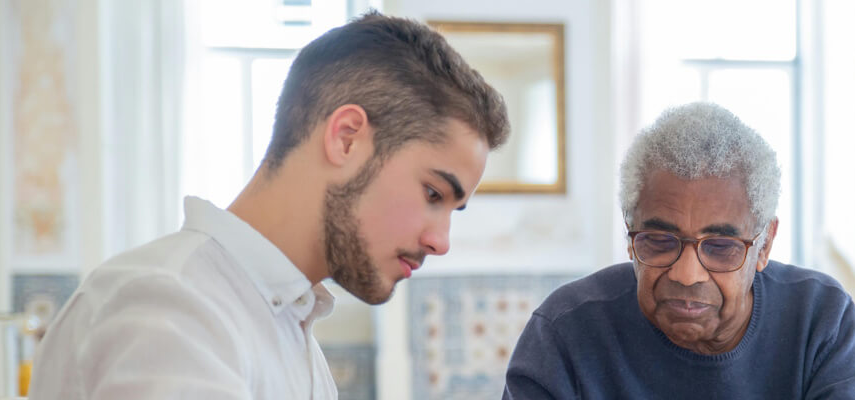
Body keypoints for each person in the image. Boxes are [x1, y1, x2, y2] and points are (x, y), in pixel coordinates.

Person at [30, 11, 509, 399]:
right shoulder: (170, 305)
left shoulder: (290, 332)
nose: (440, 241)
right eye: (433, 194)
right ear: (347, 139)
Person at [503, 102, 855, 399]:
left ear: (764, 245)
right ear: (630, 237)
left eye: (721, 247)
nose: (687, 274)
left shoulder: (820, 319)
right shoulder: (566, 330)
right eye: (659, 241)